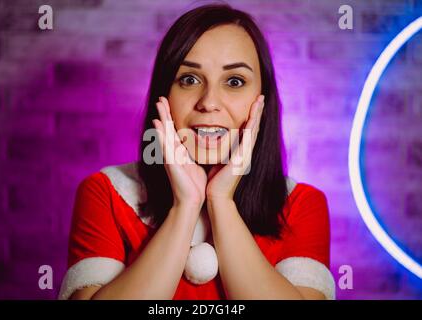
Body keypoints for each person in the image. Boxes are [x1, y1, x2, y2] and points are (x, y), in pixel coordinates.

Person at [58, 4, 335, 300]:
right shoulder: (107, 192)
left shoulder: (301, 204)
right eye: (189, 79)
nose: (209, 102)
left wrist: (221, 200)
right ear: (163, 96)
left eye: (234, 81)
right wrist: (186, 205)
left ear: (262, 103)